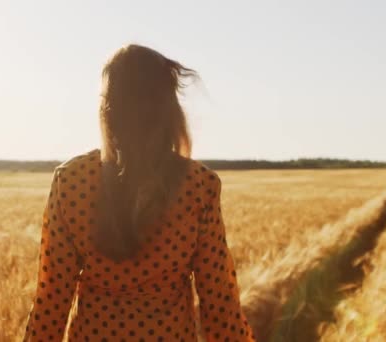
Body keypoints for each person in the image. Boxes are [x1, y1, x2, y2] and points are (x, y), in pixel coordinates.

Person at [23, 44, 255, 342]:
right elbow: (219, 303)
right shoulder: (199, 185)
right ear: (169, 111)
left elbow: (51, 300)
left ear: (107, 110)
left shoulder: (71, 181)